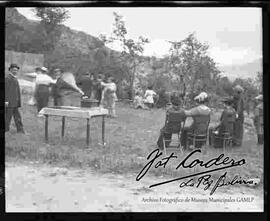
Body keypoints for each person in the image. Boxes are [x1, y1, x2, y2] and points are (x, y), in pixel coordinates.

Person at [5, 64, 25, 133]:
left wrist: (18, 101)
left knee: (17, 117)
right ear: (10, 70)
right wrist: (6, 101)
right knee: (7, 117)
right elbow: (6, 90)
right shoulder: (8, 78)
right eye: (14, 70)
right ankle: (6, 130)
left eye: (16, 70)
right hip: (9, 102)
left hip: (15, 102)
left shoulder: (14, 78)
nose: (15, 71)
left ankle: (20, 130)